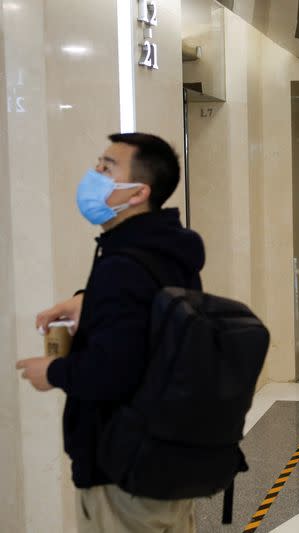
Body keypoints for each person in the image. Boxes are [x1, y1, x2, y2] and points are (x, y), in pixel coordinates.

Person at [16, 133, 204, 532]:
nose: (93, 175)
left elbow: (114, 373)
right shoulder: (167, 251)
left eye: (105, 168)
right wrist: (90, 298)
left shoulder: (124, 263)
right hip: (164, 456)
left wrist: (50, 372)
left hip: (123, 470)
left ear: (137, 192)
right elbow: (150, 322)